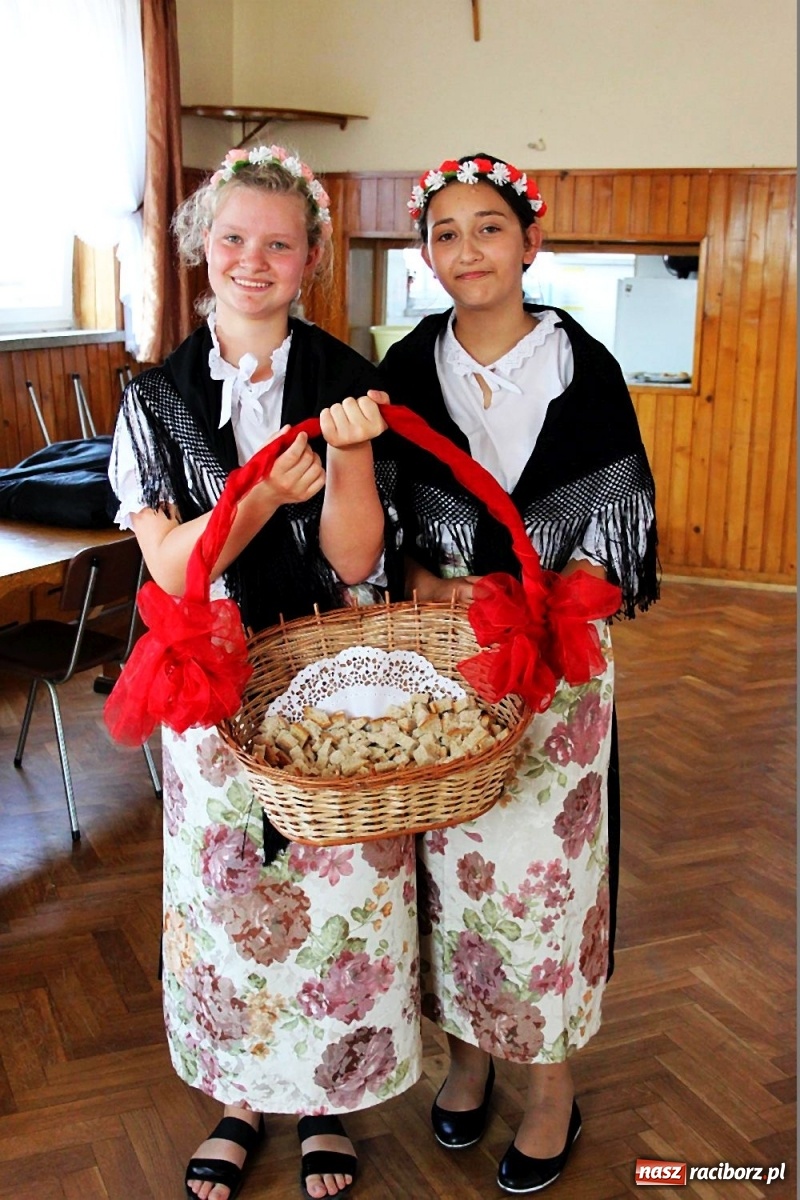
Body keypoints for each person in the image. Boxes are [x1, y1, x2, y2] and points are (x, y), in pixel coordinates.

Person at [109, 145, 421, 1200]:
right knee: (227, 892)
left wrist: (340, 461)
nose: (253, 260)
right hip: (209, 683)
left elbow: (348, 561)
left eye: (278, 244)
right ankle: (241, 1095)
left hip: (332, 675)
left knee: (339, 890)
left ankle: (327, 1094)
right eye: (233, 238)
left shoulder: (346, 378)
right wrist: (252, 503)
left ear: (311, 258)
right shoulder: (152, 399)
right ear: (201, 245)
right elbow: (171, 568)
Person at [379, 153, 659, 1194]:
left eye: (487, 227)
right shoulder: (405, 369)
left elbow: (615, 529)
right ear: (426, 255)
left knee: (542, 885)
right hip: (446, 659)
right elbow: (393, 527)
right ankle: (467, 1058)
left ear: (530, 243)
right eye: (444, 233)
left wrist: (545, 605)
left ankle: (548, 1087)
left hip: (559, 661)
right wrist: (421, 581)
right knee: (448, 877)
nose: (467, 250)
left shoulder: (584, 368)